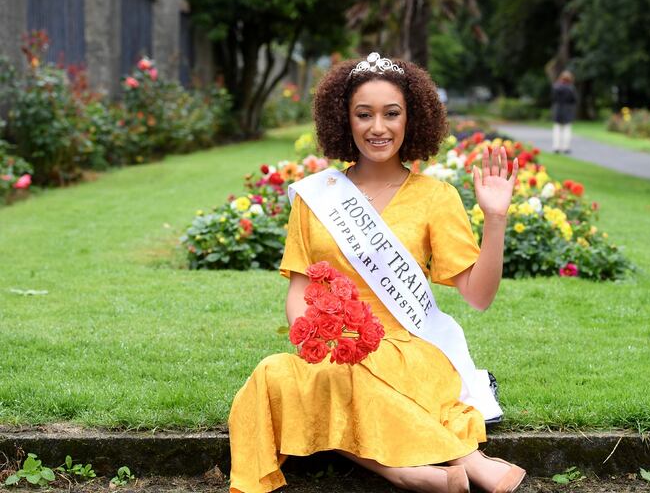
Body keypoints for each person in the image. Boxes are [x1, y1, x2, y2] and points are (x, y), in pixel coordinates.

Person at [228, 52, 526, 493]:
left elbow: (478, 296)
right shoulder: (316, 197)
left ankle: (428, 469)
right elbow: (299, 289)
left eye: (392, 113)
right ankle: (425, 468)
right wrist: (316, 339)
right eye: (363, 114)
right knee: (274, 373)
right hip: (335, 351)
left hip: (410, 348)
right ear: (344, 120)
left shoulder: (436, 197)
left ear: (412, 118)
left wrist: (496, 220)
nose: (378, 127)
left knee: (343, 377)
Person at [551, 70, 577, 154]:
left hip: (558, 109)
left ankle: (556, 147)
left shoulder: (556, 87)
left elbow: (553, 98)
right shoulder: (571, 88)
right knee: (567, 129)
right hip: (567, 110)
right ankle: (566, 147)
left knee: (557, 129)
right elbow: (574, 100)